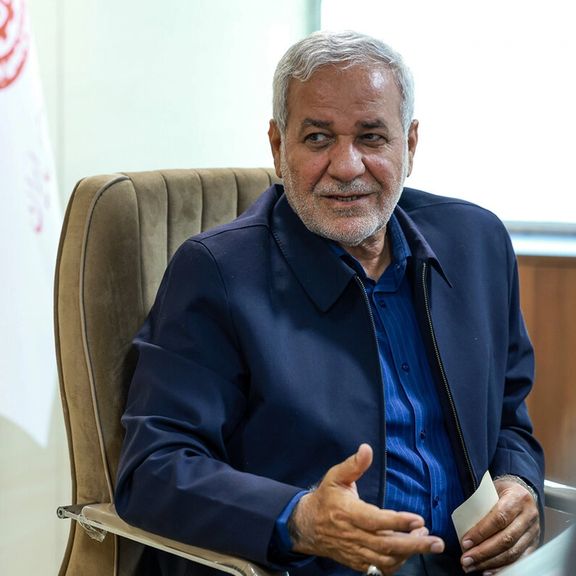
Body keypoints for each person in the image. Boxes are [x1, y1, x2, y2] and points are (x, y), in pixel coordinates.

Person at [115, 31, 545, 576]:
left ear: (410, 145)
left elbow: (509, 416)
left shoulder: (477, 243)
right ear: (278, 147)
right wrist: (299, 520)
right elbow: (153, 469)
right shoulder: (215, 272)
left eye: (372, 137)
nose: (346, 166)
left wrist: (517, 480)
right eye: (318, 138)